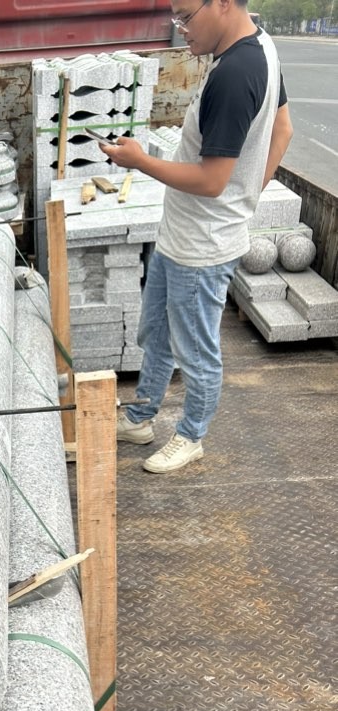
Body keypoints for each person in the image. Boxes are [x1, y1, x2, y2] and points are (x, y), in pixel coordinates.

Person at [104, 0, 293, 472]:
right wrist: (248, 193)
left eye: (186, 16)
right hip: (183, 234)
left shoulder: (235, 74)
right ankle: (141, 417)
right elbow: (283, 130)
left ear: (223, 3)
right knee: (156, 332)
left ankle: (191, 436)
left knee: (196, 350)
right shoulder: (258, 47)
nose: (181, 29)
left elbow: (211, 182)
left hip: (201, 247)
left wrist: (140, 161)